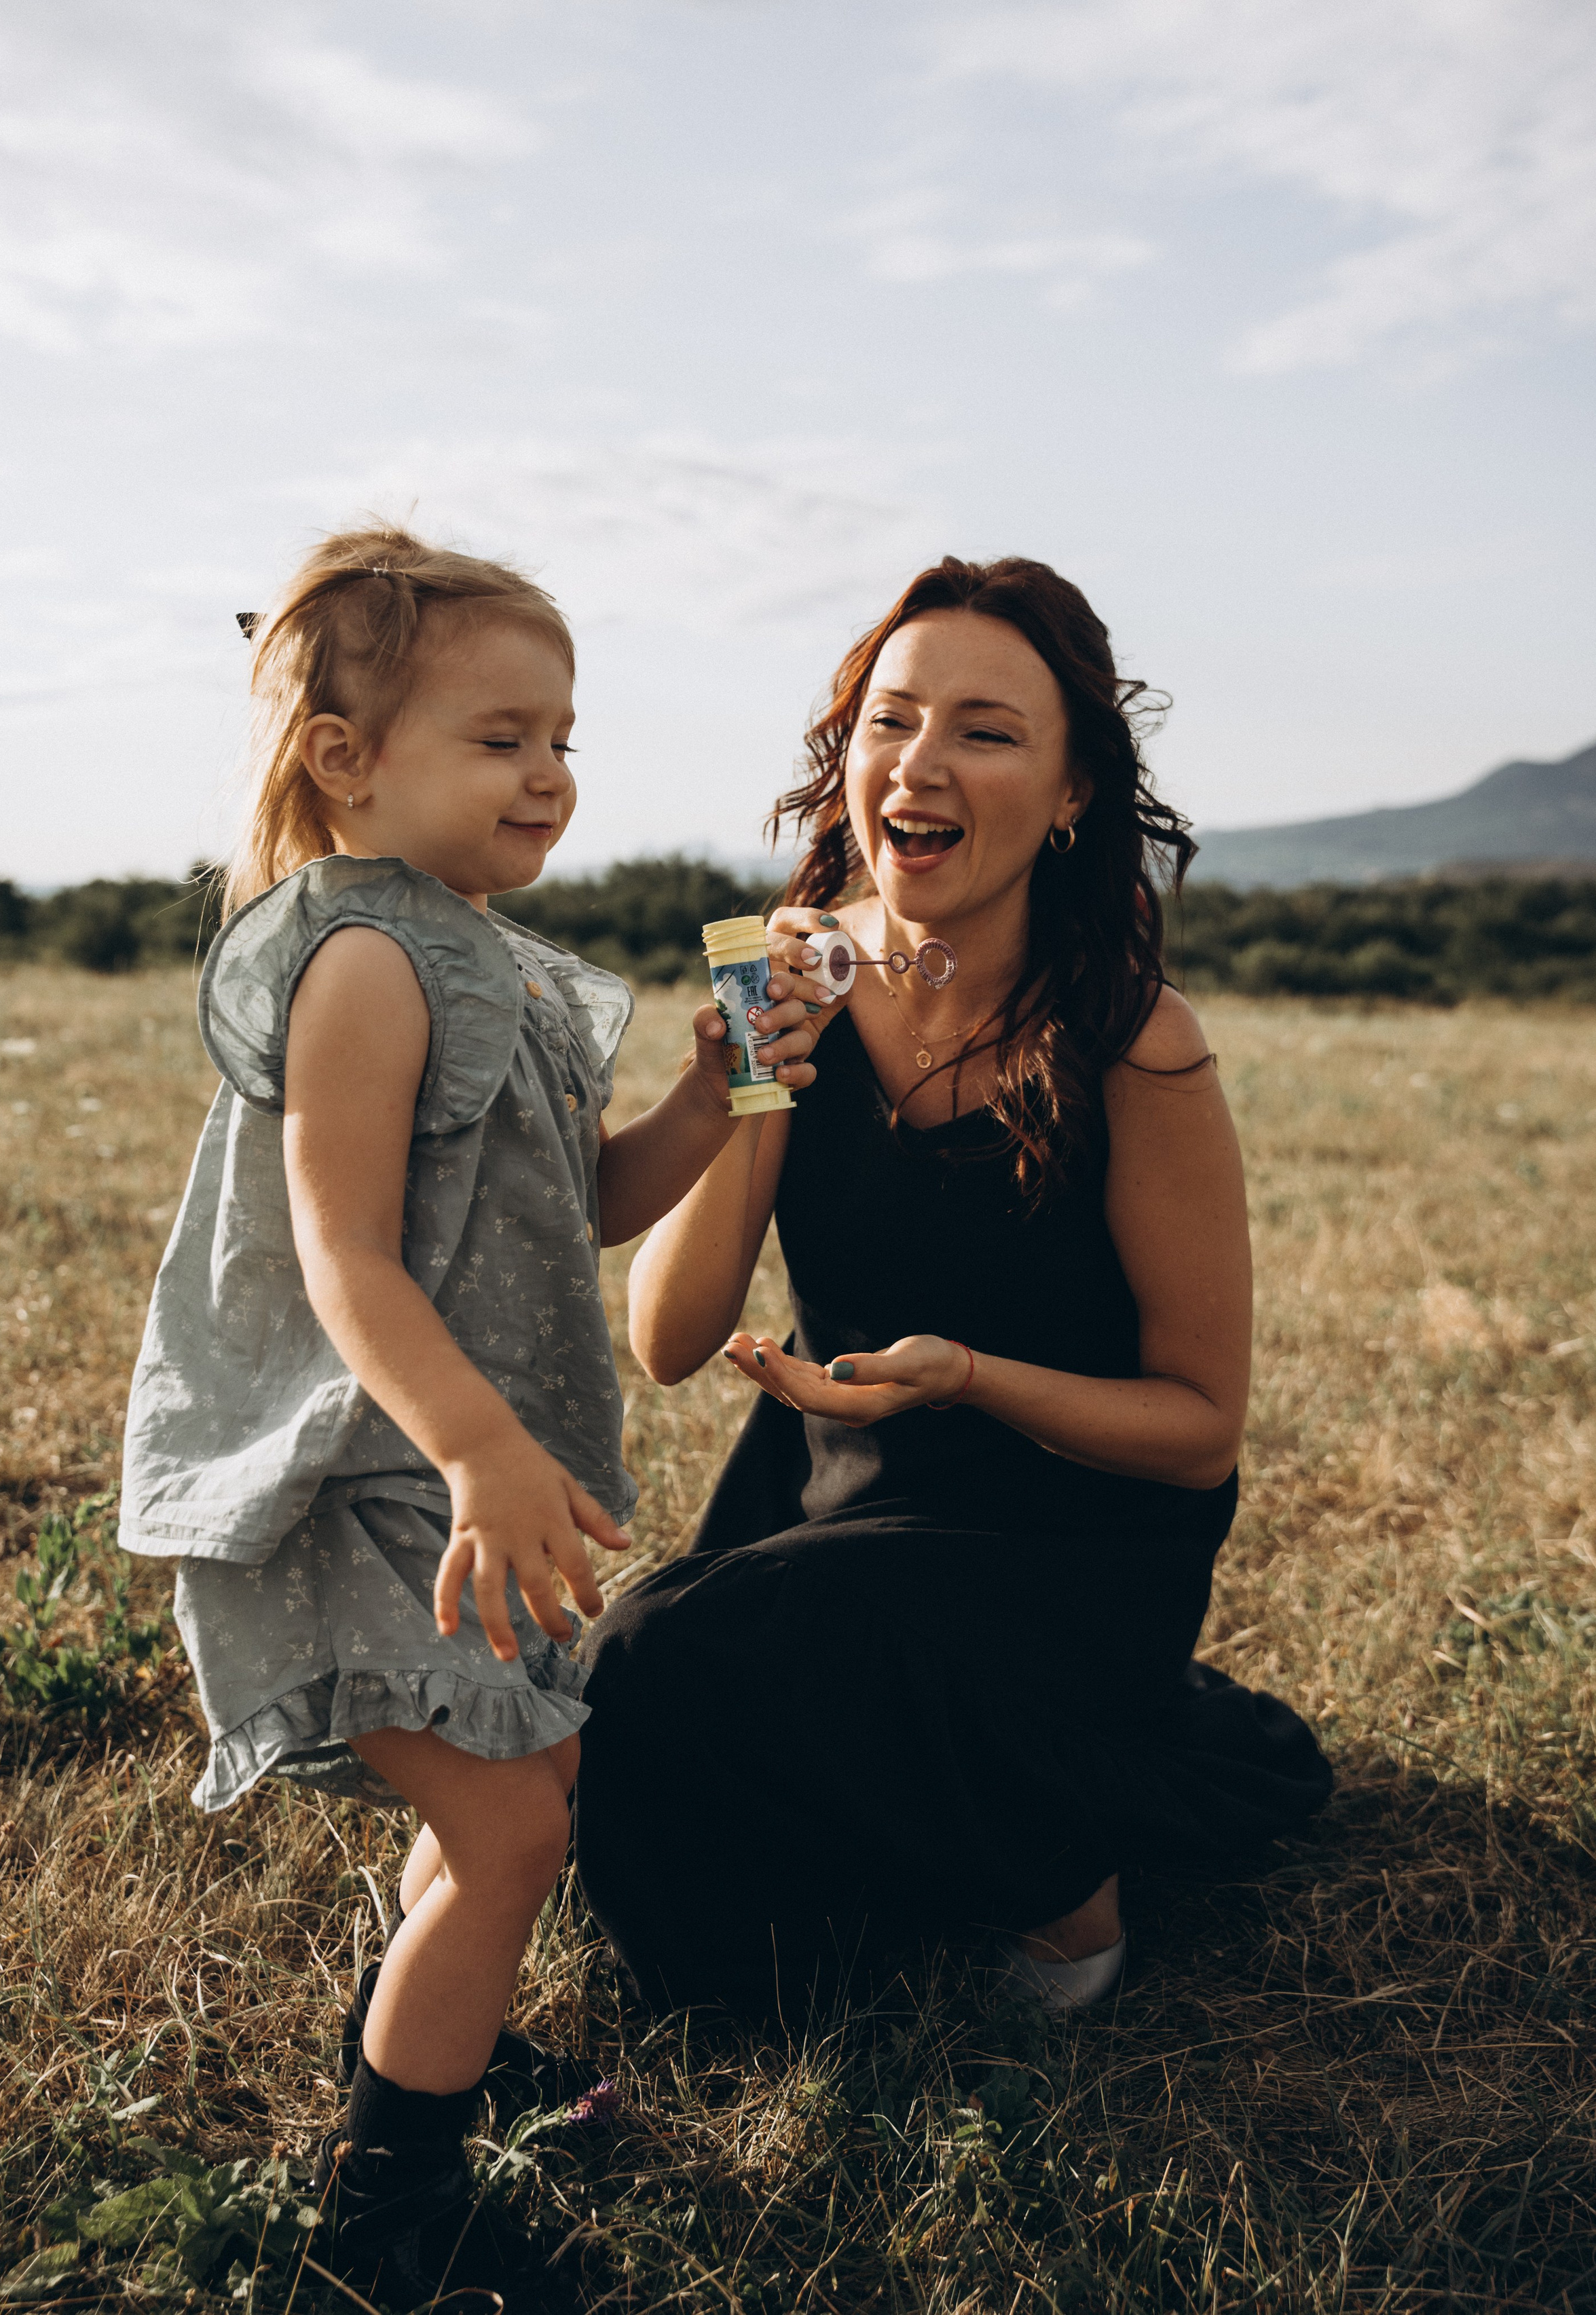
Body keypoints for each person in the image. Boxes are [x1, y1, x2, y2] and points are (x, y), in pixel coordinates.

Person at [117, 525, 819, 2307]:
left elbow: (592, 1199)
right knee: (513, 1833)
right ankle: (383, 2222)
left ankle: (414, 2050)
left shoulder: (492, 958)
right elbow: (342, 1252)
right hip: (354, 1477)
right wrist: (481, 1447)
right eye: (500, 736)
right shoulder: (361, 959)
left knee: (529, 1784)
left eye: (563, 736)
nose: (550, 772)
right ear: (349, 759)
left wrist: (727, 1081)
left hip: (445, 1477)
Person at [574, 555, 1333, 2023]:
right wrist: (750, 1077)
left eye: (983, 731)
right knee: (617, 1743)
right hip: (837, 1498)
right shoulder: (778, 971)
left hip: (1066, 1539)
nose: (917, 765)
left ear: (1068, 794)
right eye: (888, 720)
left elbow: (1197, 1430)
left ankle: (1065, 1903)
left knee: (650, 1660)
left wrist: (971, 1375)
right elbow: (666, 1340)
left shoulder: (1134, 1040)